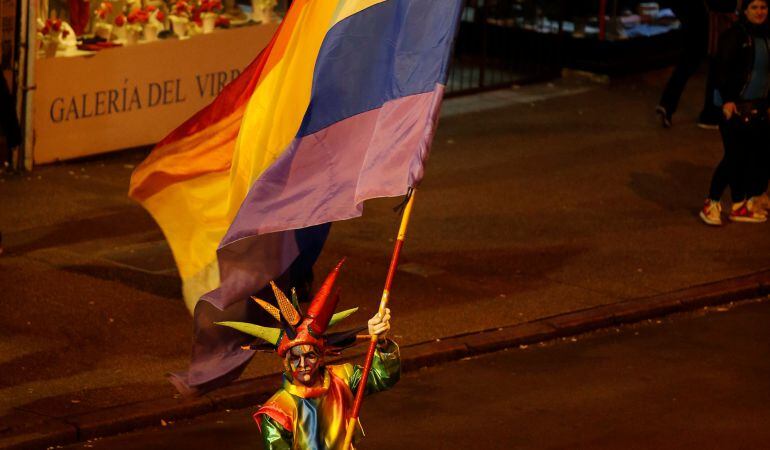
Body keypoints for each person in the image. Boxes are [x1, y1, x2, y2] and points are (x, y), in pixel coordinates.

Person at [217, 261, 400, 449]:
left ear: (321, 357)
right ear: (286, 362)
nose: (303, 363)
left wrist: (380, 342)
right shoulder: (278, 411)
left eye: (310, 356)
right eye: (296, 358)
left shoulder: (343, 379)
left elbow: (383, 377)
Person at [700, 0, 770, 225]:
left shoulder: (766, 37)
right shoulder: (733, 36)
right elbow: (721, 70)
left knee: (755, 157)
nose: (760, 12)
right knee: (734, 157)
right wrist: (728, 101)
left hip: (758, 108)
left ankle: (741, 205)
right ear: (744, 10)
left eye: (764, 7)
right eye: (755, 7)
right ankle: (711, 202)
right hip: (733, 109)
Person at [656, 0, 710, 128]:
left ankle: (667, 104)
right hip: (706, 18)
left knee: (689, 61)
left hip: (693, 17)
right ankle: (711, 115)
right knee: (711, 63)